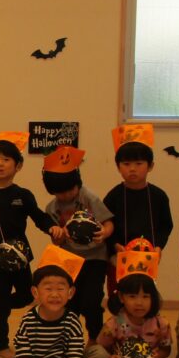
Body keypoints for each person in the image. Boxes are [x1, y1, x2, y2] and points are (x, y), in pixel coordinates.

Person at [0, 133, 65, 358]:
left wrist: (52, 227)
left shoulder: (23, 194)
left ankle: (2, 305)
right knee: (0, 309)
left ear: (18, 166)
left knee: (27, 296)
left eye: (6, 159)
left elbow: (38, 217)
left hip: (21, 259)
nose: (0, 163)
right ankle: (0, 346)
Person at [42, 145, 114, 345]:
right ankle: (70, 338)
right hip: (69, 260)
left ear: (77, 183)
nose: (65, 195)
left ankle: (94, 338)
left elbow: (108, 222)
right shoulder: (52, 208)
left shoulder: (88, 198)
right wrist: (59, 235)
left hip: (95, 258)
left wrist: (104, 233)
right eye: (59, 193)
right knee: (69, 301)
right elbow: (56, 241)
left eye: (69, 190)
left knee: (92, 301)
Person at [96, 252, 171, 358]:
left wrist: (158, 356)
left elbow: (166, 349)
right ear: (121, 297)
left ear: (153, 298)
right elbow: (101, 348)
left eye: (145, 296)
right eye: (132, 296)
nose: (139, 302)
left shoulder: (161, 324)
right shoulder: (114, 323)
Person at [103, 124, 173, 300]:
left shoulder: (158, 196)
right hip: (118, 258)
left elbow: (166, 226)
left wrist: (159, 246)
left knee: (144, 298)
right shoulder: (113, 196)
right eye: (126, 164)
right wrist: (115, 245)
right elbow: (104, 225)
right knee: (118, 298)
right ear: (118, 167)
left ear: (150, 166)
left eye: (139, 163)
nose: (132, 168)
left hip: (147, 258)